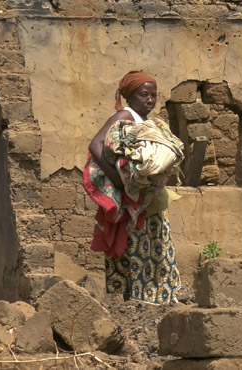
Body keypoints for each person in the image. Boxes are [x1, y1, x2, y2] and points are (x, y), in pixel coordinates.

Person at [84, 70, 182, 304]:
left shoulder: (147, 122)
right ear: (130, 96)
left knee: (150, 245)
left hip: (147, 200)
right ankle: (139, 305)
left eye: (153, 95)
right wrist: (117, 179)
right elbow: (96, 144)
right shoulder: (124, 115)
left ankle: (145, 303)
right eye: (144, 94)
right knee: (137, 247)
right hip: (133, 202)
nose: (150, 99)